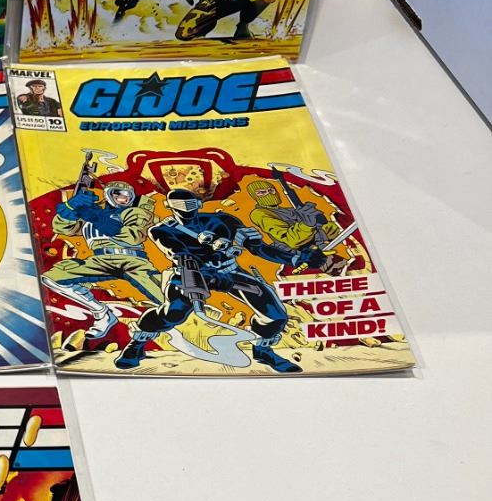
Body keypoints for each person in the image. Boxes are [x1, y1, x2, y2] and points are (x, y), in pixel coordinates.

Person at [116, 188, 302, 372]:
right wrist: (209, 276)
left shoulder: (223, 220)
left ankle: (263, 350)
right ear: (169, 206)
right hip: (188, 273)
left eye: (191, 204)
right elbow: (181, 255)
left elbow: (258, 247)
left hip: (229, 270)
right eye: (181, 205)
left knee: (275, 315)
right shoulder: (162, 230)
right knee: (173, 313)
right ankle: (136, 344)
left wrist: (295, 259)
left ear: (198, 204)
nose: (186, 209)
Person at [46, 155, 162, 354]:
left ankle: (159, 328)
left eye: (128, 196)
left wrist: (95, 216)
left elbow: (132, 236)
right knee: (53, 277)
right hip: (100, 260)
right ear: (108, 195)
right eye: (119, 195)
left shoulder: (134, 213)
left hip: (132, 260)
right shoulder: (93, 213)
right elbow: (63, 228)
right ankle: (102, 314)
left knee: (167, 298)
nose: (124, 199)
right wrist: (71, 209)